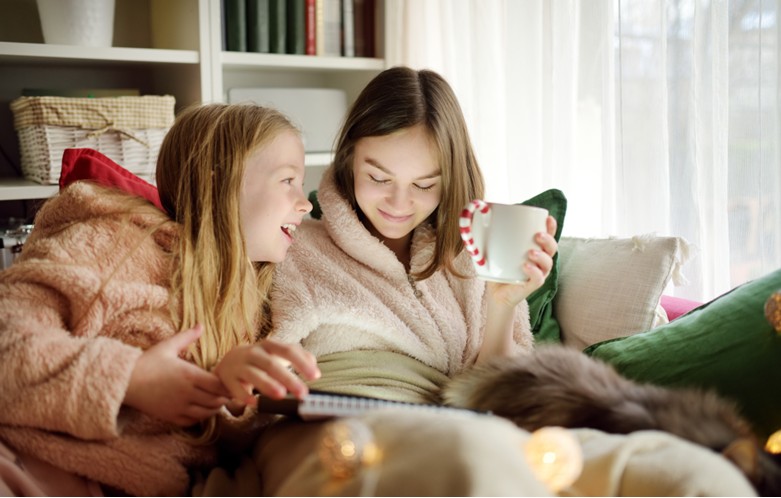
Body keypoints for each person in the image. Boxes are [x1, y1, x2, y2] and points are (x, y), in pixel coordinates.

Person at [256, 66, 757, 496]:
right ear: (347, 159)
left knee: (689, 473)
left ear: (449, 179)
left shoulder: (469, 255)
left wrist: (502, 302)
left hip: (469, 420)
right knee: (475, 457)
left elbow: (502, 390)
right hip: (351, 430)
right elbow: (247, 370)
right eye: (379, 177)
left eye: (424, 185)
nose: (398, 203)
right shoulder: (294, 244)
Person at [0, 103, 320, 496]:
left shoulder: (257, 306)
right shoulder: (111, 243)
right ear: (219, 182)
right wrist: (130, 379)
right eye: (288, 180)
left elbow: (215, 448)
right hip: (26, 465)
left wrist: (226, 395)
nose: (304, 202)